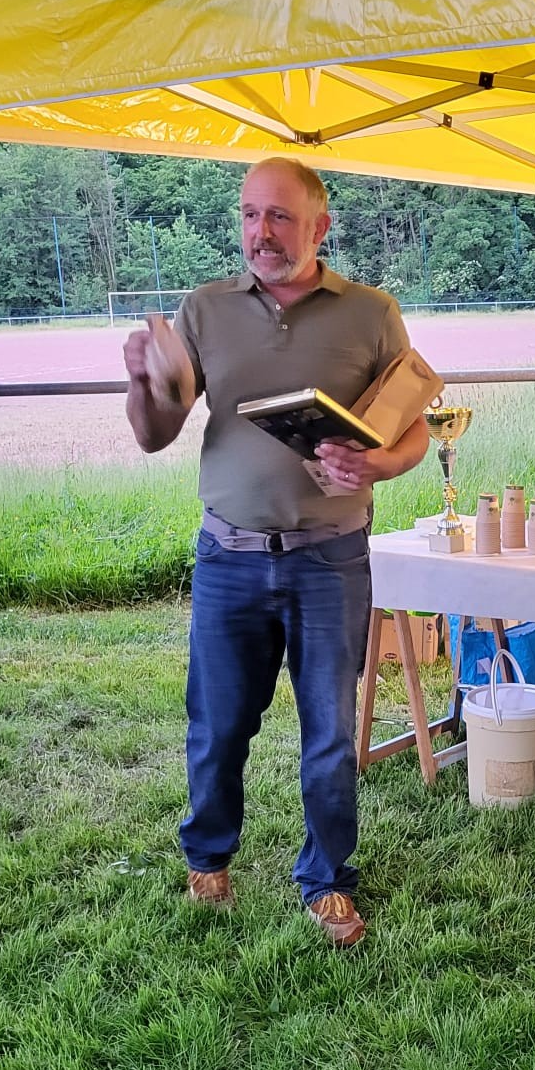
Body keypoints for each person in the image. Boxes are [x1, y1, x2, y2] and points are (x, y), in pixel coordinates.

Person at [123, 157, 429, 946]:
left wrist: (378, 463)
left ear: (320, 226)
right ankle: (208, 861)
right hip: (228, 556)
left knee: (330, 733)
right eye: (251, 215)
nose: (262, 232)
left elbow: (414, 429)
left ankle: (327, 881)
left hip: (330, 558)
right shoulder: (205, 310)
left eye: (280, 217)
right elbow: (155, 435)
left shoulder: (371, 313)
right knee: (219, 725)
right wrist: (144, 385)